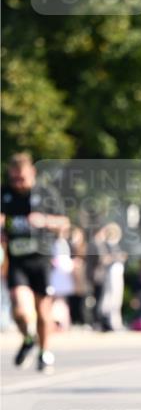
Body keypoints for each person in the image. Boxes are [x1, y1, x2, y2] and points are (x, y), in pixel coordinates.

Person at [1, 152, 69, 371]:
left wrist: (45, 221)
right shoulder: (5, 194)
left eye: (23, 179)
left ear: (32, 174)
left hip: (42, 259)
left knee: (43, 310)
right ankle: (28, 338)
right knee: (20, 309)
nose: (19, 183)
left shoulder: (45, 194)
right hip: (17, 259)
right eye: (15, 179)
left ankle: (44, 351)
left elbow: (65, 222)